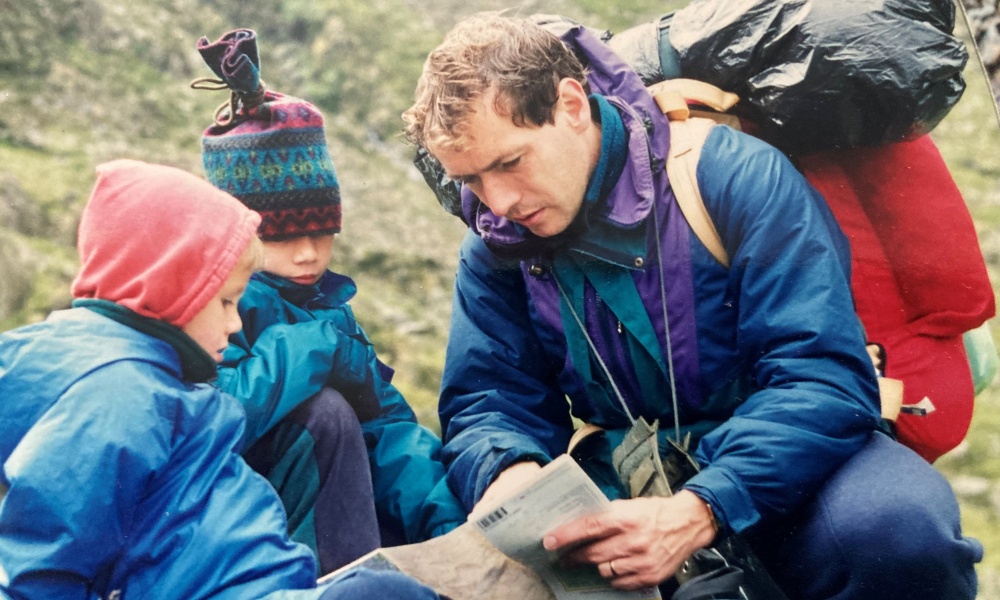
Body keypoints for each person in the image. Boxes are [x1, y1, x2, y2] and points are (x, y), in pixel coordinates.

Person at [402, 13, 983, 599]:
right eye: (472, 179)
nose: (499, 201)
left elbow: (823, 377)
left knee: (900, 534)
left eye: (510, 162)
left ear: (572, 106)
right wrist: (509, 473)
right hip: (625, 474)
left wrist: (704, 506)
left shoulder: (733, 177)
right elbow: (490, 398)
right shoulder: (496, 243)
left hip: (794, 460)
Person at [0, 159, 440, 599]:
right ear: (173, 292)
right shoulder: (119, 393)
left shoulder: (157, 379)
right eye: (227, 303)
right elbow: (48, 560)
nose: (233, 324)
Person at [195, 29, 465, 573]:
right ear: (240, 233)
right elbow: (220, 414)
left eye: (322, 232)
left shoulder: (327, 304)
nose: (307, 253)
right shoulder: (214, 303)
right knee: (326, 413)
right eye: (282, 237)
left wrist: (449, 524)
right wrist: (317, 347)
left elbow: (386, 427)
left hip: (335, 513)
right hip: (240, 529)